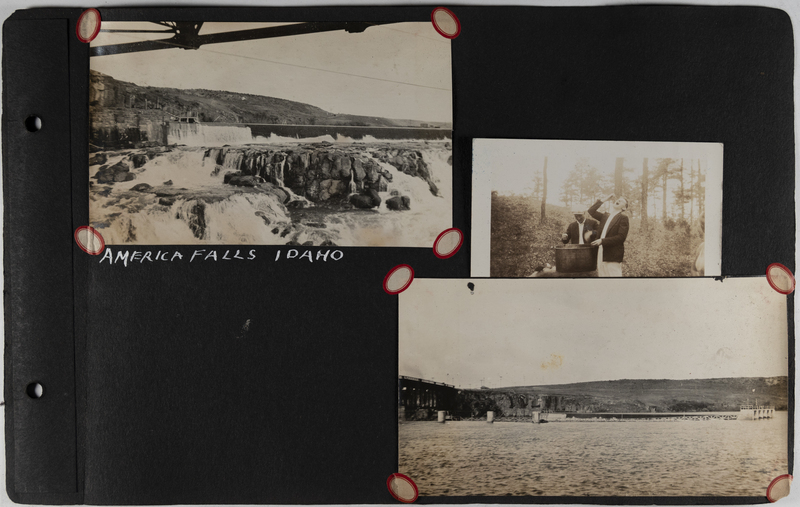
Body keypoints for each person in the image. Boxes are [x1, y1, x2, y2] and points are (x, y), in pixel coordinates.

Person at [588, 194, 629, 277]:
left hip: (613, 255)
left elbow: (621, 237)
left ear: (623, 208)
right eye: (618, 199)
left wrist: (602, 241)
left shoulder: (623, 218)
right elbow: (591, 211)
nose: (618, 200)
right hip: (600, 252)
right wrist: (605, 199)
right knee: (602, 278)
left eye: (621, 201)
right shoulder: (605, 216)